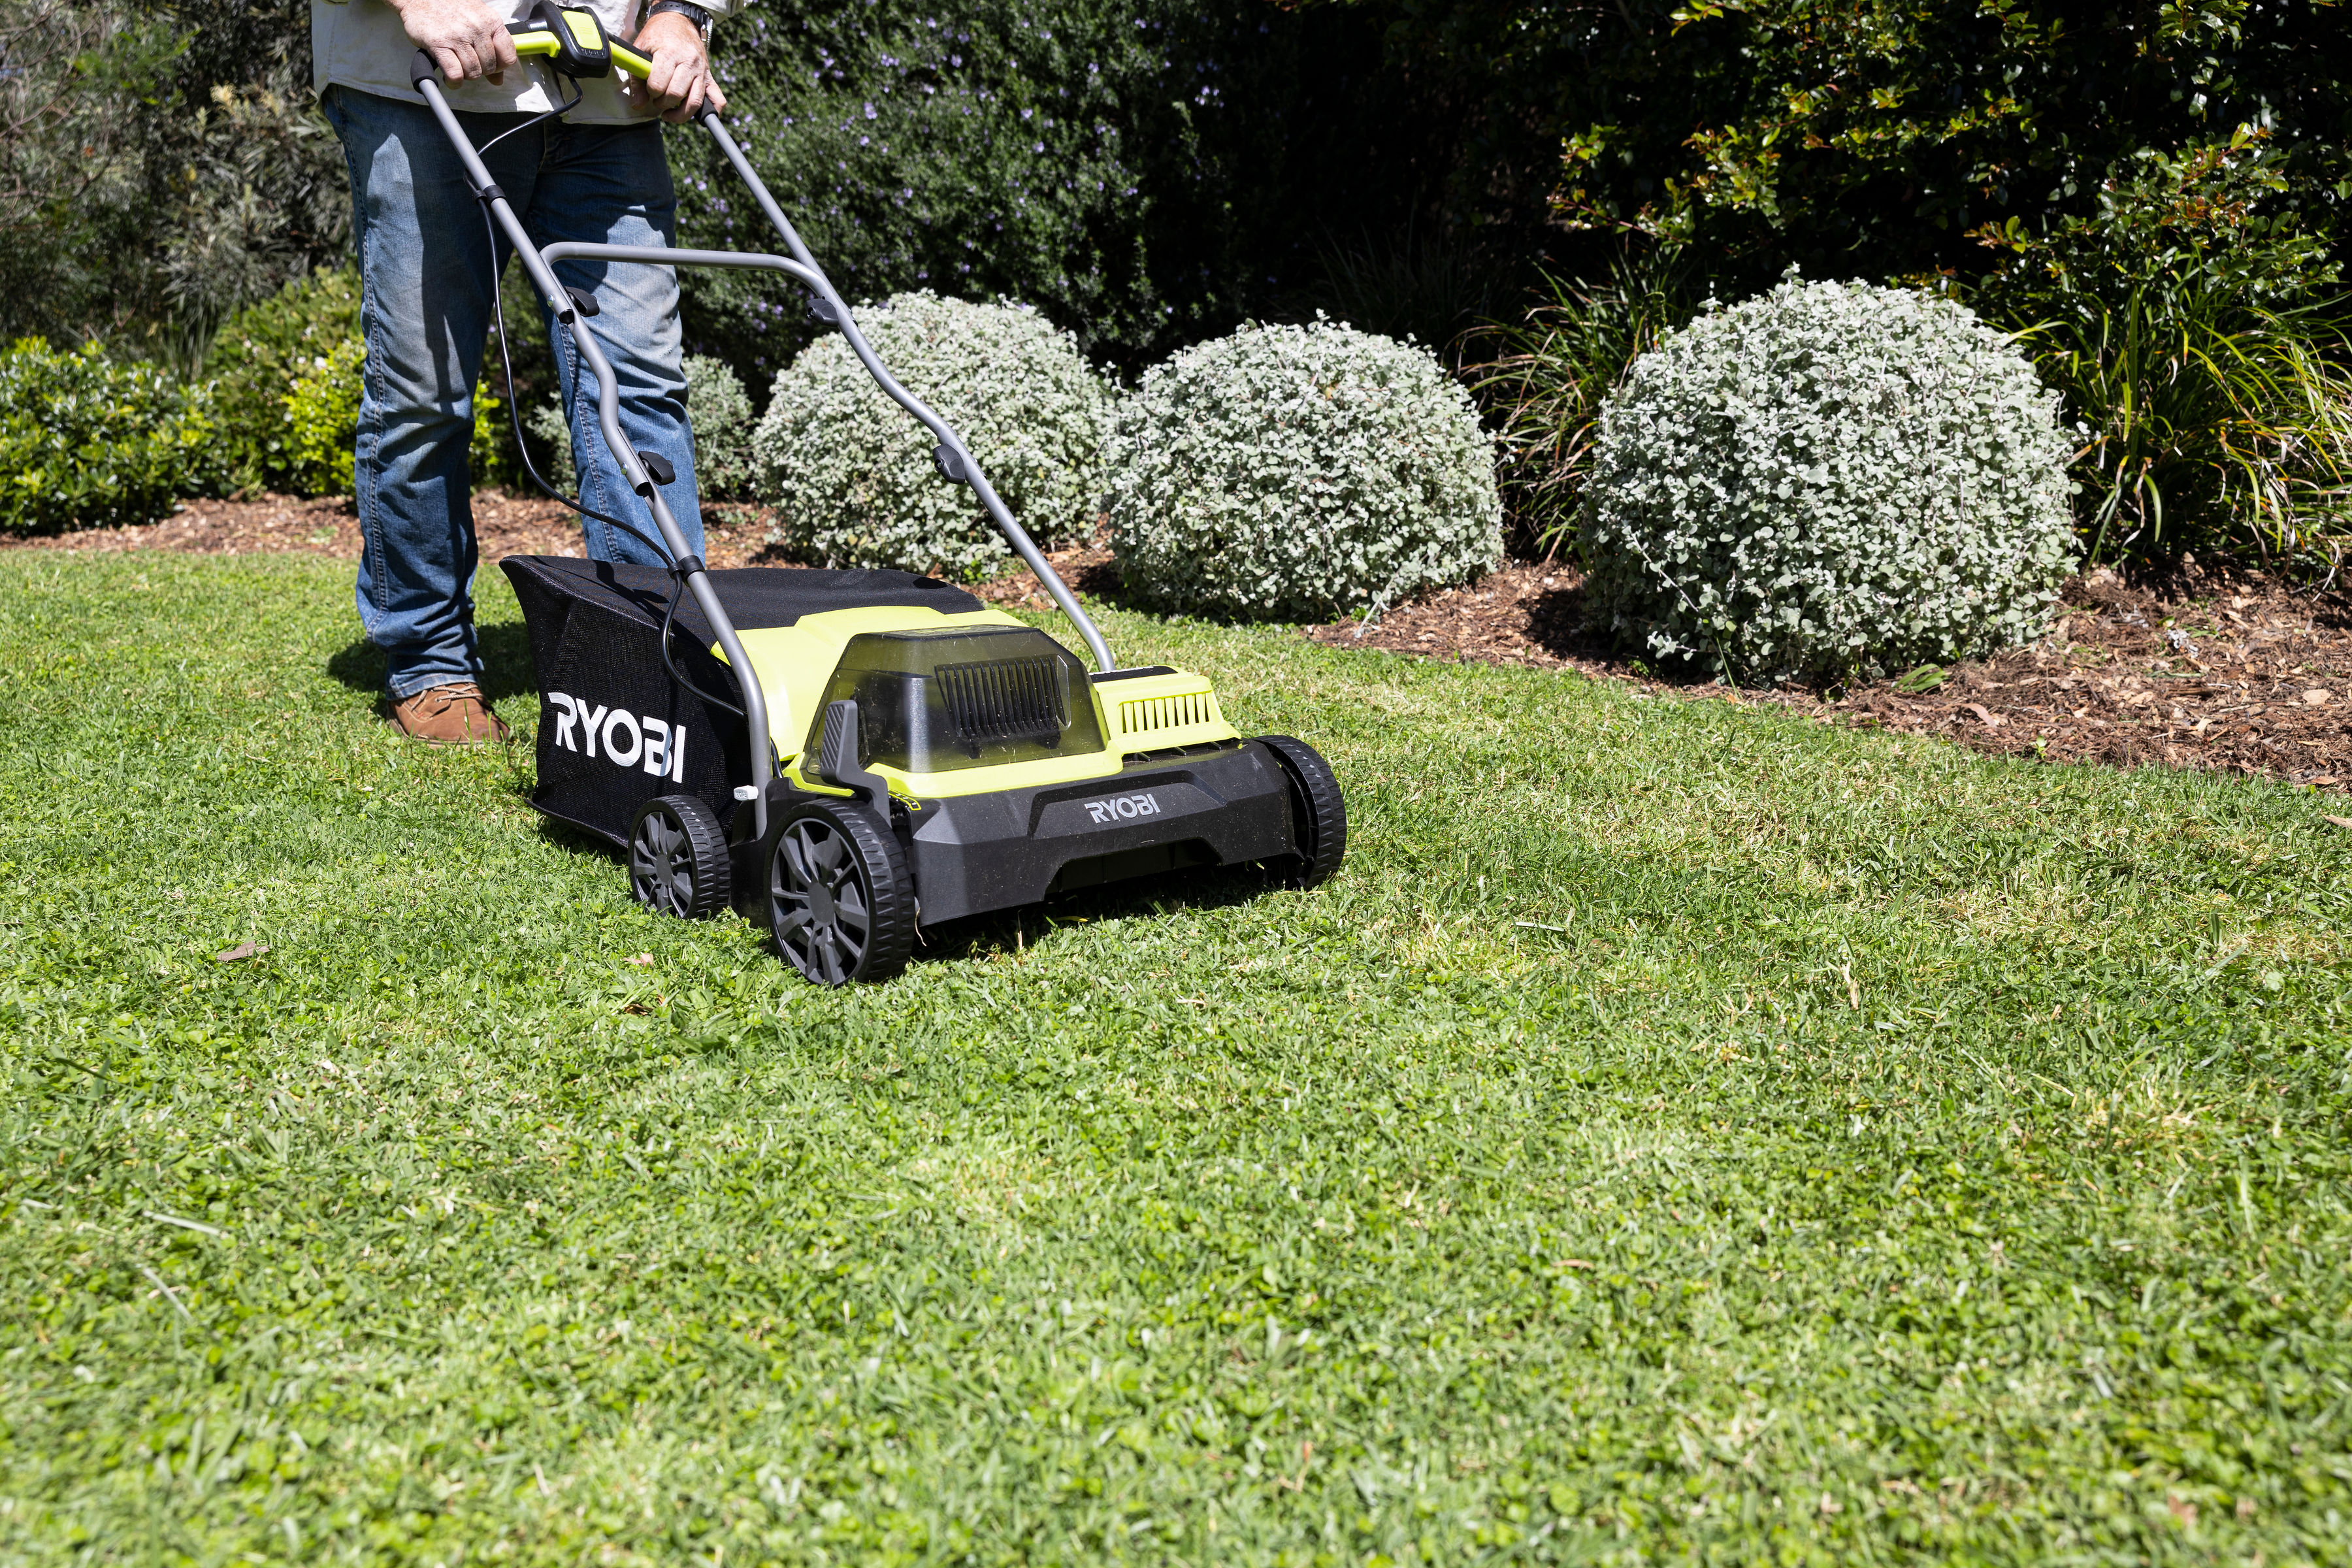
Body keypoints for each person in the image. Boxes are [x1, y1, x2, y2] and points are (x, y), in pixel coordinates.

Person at [313, 0, 733, 743]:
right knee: (423, 392)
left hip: (609, 89)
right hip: (423, 83)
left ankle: (657, 662)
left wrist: (680, 15)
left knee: (639, 388)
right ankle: (432, 662)